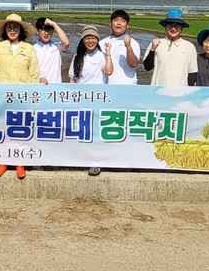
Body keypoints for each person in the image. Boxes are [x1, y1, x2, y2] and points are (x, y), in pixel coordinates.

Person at [0, 14, 40, 179]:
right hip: (3, 96)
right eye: (9, 28)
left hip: (22, 97)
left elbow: (34, 73)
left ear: (21, 31)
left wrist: (32, 95)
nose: (12, 30)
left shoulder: (28, 48)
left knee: (20, 130)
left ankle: (20, 163)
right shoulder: (0, 46)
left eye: (16, 28)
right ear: (5, 30)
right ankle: (3, 162)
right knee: (3, 129)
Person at [69, 25, 113, 176]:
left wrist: (108, 53)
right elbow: (72, 79)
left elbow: (109, 71)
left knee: (96, 132)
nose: (90, 41)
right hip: (82, 101)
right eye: (87, 38)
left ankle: (96, 163)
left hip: (98, 101)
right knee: (82, 131)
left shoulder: (102, 56)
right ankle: (81, 159)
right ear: (82, 40)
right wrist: (72, 99)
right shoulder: (77, 57)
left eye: (93, 38)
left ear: (97, 39)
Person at [143, 10, 197, 86]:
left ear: (182, 27)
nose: (173, 28)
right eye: (170, 25)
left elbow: (192, 73)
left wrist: (189, 91)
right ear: (165, 26)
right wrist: (152, 49)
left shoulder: (189, 47)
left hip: (181, 90)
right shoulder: (157, 43)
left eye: (177, 25)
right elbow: (147, 67)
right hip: (158, 89)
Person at [100, 10, 141, 85]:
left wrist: (128, 46)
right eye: (116, 20)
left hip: (127, 85)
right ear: (110, 24)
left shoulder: (133, 43)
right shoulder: (102, 43)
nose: (119, 23)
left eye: (123, 21)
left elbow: (133, 64)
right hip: (106, 85)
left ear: (127, 25)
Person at [33, 17, 69, 84]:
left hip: (56, 88)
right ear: (37, 31)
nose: (46, 33)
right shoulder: (32, 49)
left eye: (49, 30)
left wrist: (54, 24)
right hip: (39, 87)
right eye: (43, 29)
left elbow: (66, 43)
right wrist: (38, 79)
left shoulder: (57, 47)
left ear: (53, 31)